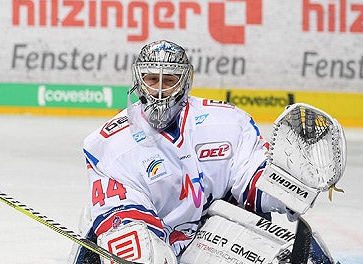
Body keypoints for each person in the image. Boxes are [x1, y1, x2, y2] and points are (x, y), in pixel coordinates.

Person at [70, 40, 340, 264]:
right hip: (152, 235)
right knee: (142, 253)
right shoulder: (110, 142)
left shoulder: (227, 122)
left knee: (306, 258)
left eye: (170, 80)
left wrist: (286, 189)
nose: (160, 90)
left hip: (210, 236)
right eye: (153, 79)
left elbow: (252, 182)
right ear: (139, 80)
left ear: (185, 82)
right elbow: (126, 217)